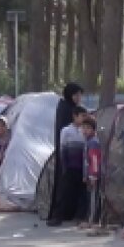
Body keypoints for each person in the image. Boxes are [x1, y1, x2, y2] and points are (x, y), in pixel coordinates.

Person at [48, 83, 84, 226]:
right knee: (64, 186)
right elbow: (63, 134)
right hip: (67, 155)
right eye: (76, 95)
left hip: (77, 155)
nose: (78, 98)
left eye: (80, 95)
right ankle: (58, 215)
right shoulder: (64, 109)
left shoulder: (73, 109)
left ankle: (71, 213)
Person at [55, 105, 88, 223]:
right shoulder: (66, 131)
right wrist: (64, 166)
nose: (84, 118)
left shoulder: (85, 131)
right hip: (69, 166)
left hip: (82, 167)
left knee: (81, 193)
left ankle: (79, 216)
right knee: (66, 192)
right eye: (82, 116)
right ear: (75, 116)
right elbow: (62, 149)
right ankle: (60, 216)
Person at [80, 116, 101, 229]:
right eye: (83, 128)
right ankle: (90, 219)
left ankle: (92, 221)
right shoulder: (87, 141)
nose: (85, 130)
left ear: (93, 130)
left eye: (88, 128)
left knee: (93, 198)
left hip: (93, 176)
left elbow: (94, 160)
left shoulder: (93, 142)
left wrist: (93, 176)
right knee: (90, 197)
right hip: (89, 175)